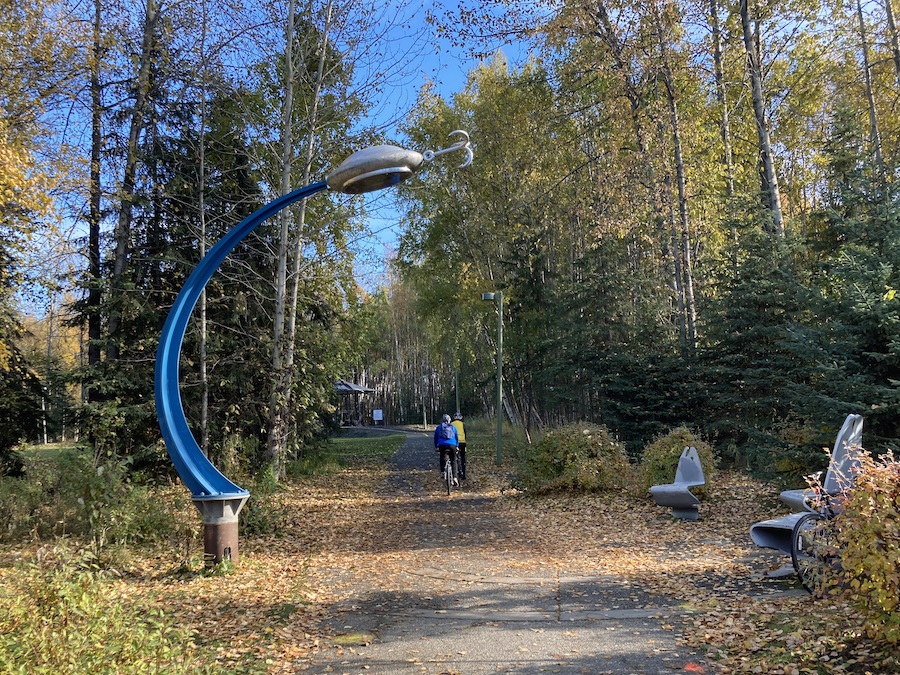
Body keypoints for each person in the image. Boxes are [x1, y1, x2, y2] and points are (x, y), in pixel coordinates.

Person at [434, 413, 459, 485]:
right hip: (452, 445)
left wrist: (436, 447)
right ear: (449, 420)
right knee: (453, 460)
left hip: (442, 446)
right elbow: (456, 437)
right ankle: (455, 477)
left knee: (442, 456)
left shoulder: (439, 427)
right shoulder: (453, 427)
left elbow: (435, 438)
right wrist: (457, 446)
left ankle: (442, 472)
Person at [451, 412, 467, 480]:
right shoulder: (463, 424)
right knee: (463, 457)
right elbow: (465, 433)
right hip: (462, 442)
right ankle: (464, 474)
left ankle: (456, 472)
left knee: (454, 457)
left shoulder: (451, 424)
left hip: (454, 443)